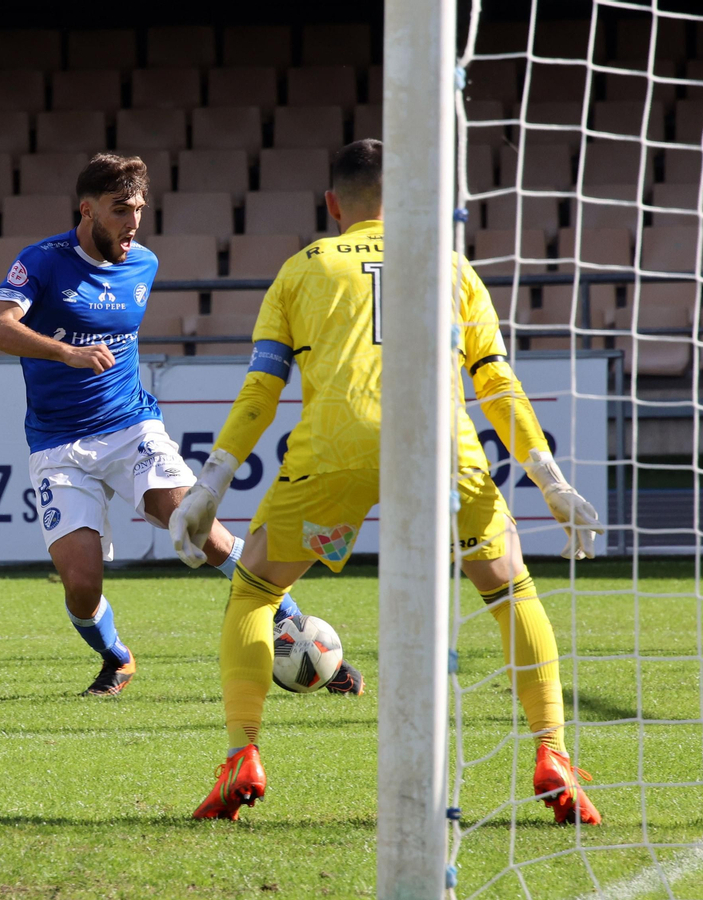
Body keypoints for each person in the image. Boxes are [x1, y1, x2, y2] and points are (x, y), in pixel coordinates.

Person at [172, 139, 606, 824]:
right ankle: (551, 751)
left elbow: (262, 388)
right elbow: (495, 382)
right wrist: (550, 481)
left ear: (332, 204)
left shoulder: (302, 268)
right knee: (508, 587)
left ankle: (242, 755)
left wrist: (208, 488)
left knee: (255, 590)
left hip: (337, 451)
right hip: (443, 448)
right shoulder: (452, 266)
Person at [0, 153, 363, 697]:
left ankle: (297, 632)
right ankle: (117, 658)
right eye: (119, 210)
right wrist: (66, 352)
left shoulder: (144, 264)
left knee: (197, 526)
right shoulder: (41, 261)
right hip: (58, 444)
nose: (133, 221)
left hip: (132, 426)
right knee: (82, 588)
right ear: (87, 210)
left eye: (139, 208)